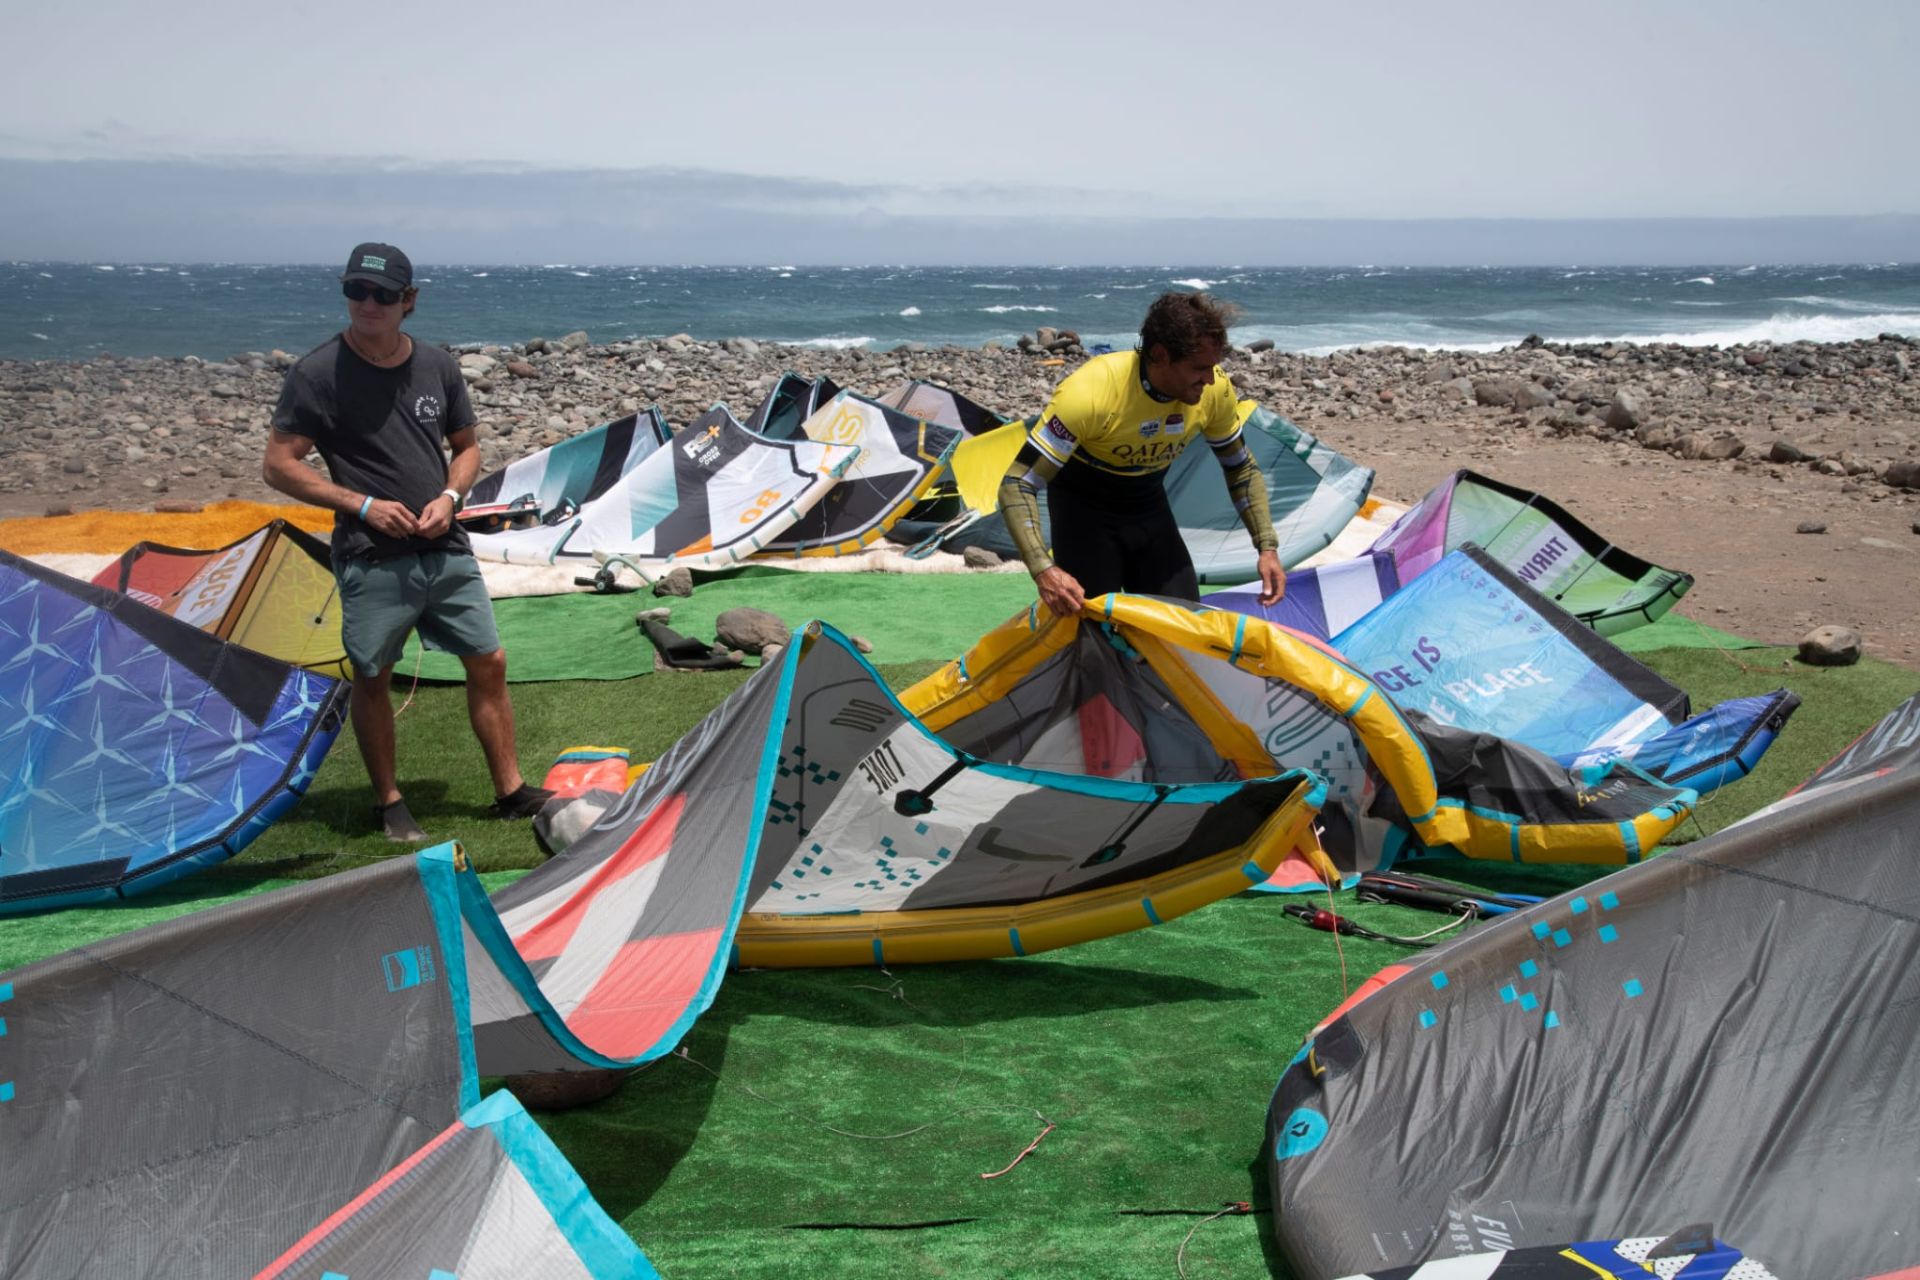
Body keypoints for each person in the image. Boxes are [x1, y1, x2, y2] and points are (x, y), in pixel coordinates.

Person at [263, 242, 550, 841]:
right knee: (373, 673)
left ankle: (510, 790)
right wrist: (361, 504)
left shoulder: (438, 367)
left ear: (408, 301)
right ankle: (389, 801)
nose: (368, 304)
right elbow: (279, 465)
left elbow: (466, 447)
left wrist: (450, 498)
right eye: (356, 292)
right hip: (370, 554)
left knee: (489, 661)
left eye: (383, 295)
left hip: (443, 544)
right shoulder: (316, 374)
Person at [998, 291, 1286, 617]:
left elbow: (1241, 469)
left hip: (1148, 508)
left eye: (1214, 367)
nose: (1210, 378)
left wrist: (1267, 546)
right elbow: (1017, 483)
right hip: (1083, 514)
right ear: (1160, 355)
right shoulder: (1092, 393)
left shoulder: (1214, 390)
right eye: (1199, 368)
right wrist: (1043, 570)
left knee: (1184, 626)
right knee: (1094, 639)